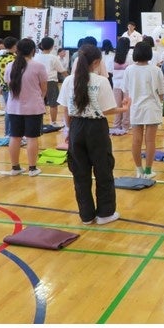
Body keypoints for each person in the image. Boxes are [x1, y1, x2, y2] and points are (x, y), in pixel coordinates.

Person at [58, 46, 126, 224]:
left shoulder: (68, 81)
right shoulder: (101, 81)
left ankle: (86, 215)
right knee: (103, 170)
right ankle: (105, 213)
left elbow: (65, 109)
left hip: (76, 127)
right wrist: (124, 108)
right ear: (96, 62)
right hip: (96, 128)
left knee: (80, 172)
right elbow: (108, 109)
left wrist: (68, 130)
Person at [2, 38, 47, 177]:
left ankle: (15, 167)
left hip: (14, 107)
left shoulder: (10, 66)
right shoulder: (38, 66)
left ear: (18, 50)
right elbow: (43, 89)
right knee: (32, 138)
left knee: (14, 137)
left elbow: (8, 84)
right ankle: (32, 168)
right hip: (33, 107)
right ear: (33, 50)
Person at [124, 43, 164, 179]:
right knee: (150, 141)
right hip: (152, 107)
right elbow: (161, 92)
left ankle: (139, 170)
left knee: (136, 140)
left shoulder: (129, 69)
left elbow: (126, 90)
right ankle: (148, 171)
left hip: (136, 107)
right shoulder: (155, 70)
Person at [36, 37, 63, 129]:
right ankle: (53, 122)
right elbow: (62, 70)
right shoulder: (53, 58)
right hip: (51, 82)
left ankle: (38, 123)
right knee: (53, 103)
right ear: (52, 47)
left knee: (39, 103)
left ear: (42, 45)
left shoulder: (36, 56)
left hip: (38, 82)